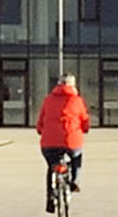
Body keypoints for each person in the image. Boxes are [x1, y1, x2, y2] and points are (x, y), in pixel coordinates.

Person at [36, 74, 90, 210]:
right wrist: (85, 129)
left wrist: (41, 130)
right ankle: (74, 181)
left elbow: (41, 120)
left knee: (52, 166)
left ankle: (50, 197)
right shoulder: (77, 100)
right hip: (71, 140)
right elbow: (84, 120)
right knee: (76, 157)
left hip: (49, 142)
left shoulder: (48, 100)